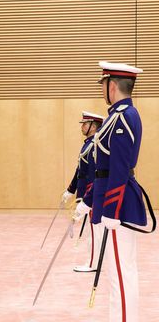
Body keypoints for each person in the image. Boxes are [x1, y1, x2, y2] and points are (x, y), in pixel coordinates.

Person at [74, 61, 151, 322]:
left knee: (121, 271)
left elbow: (118, 168)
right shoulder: (117, 117)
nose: (102, 89)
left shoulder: (123, 117)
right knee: (118, 272)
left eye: (104, 84)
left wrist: (110, 209)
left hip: (118, 205)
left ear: (113, 85)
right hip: (114, 203)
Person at [64, 112, 103, 272]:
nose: (82, 127)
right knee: (91, 230)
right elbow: (80, 170)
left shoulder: (94, 144)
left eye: (85, 124)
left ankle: (93, 263)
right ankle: (94, 260)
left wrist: (88, 198)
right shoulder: (87, 144)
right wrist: (70, 190)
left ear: (93, 126)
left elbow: (95, 174)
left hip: (91, 194)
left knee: (93, 231)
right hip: (86, 193)